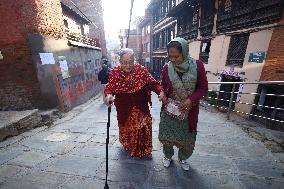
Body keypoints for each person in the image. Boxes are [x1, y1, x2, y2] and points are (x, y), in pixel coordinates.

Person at [158, 37, 208, 171]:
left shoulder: (197, 66)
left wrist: (190, 100)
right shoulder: (167, 68)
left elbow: (203, 88)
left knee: (187, 137)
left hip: (188, 111)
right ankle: (168, 156)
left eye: (176, 56)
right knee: (167, 136)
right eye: (170, 56)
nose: (173, 60)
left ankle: (183, 158)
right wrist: (162, 92)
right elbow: (162, 85)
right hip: (169, 110)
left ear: (184, 52)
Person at [104, 48, 163, 158]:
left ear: (134, 60)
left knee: (145, 126)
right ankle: (130, 146)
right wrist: (109, 95)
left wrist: (160, 91)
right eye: (124, 63)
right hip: (124, 107)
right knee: (129, 129)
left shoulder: (141, 70)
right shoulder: (115, 72)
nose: (128, 65)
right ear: (120, 61)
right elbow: (109, 88)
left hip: (141, 105)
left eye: (131, 62)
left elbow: (152, 84)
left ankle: (146, 150)